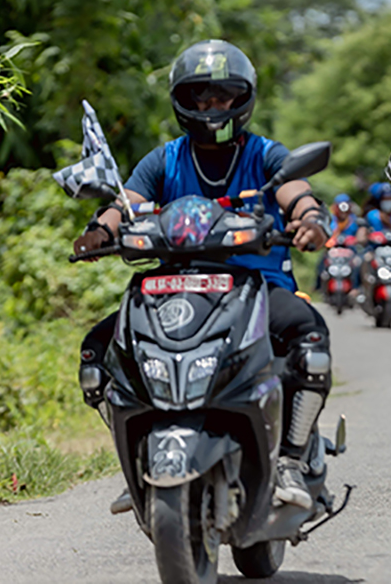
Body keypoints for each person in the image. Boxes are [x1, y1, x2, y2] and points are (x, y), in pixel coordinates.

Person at [73, 40, 332, 511]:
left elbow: (296, 190)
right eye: (201, 97)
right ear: (183, 101)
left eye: (224, 96)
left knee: (309, 339)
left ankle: (291, 458)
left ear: (243, 98)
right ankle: (140, 456)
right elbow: (124, 203)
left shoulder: (264, 154)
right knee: (96, 354)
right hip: (172, 288)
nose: (214, 108)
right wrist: (98, 230)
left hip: (255, 286)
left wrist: (308, 218)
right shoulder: (163, 160)